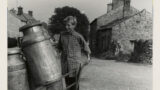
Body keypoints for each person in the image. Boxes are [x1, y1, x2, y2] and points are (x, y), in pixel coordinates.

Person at [57, 16, 91, 90]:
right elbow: (59, 48)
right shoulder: (62, 35)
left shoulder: (78, 36)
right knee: (67, 84)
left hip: (75, 64)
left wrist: (86, 59)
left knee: (75, 85)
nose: (67, 27)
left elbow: (86, 49)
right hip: (65, 64)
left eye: (69, 25)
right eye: (66, 25)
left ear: (74, 25)